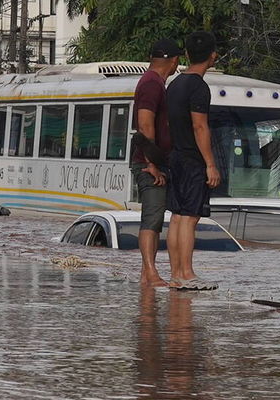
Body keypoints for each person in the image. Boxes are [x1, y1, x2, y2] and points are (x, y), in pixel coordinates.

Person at [165, 31, 221, 290]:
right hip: (191, 160)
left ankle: (176, 274)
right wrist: (210, 163)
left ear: (186, 54)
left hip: (175, 156)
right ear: (213, 56)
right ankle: (187, 274)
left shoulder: (174, 84)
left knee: (177, 216)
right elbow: (200, 127)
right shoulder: (199, 87)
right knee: (189, 217)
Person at [131, 38, 181, 287]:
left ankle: (146, 275)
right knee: (152, 218)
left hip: (151, 160)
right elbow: (145, 123)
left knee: (156, 217)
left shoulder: (153, 82)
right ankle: (150, 272)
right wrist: (152, 163)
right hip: (147, 162)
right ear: (174, 61)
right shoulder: (152, 83)